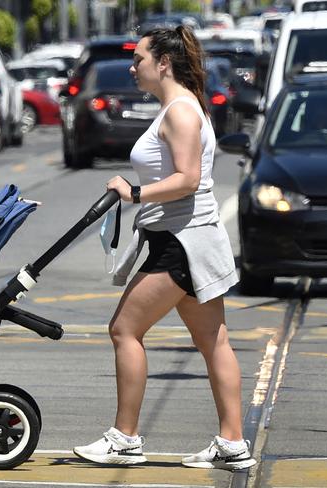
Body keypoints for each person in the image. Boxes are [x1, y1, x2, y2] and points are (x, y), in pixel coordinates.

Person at [72, 26, 257, 471]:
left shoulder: (180, 112)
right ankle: (232, 444)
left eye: (138, 59)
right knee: (213, 341)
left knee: (124, 330)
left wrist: (134, 193)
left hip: (179, 242)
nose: (132, 67)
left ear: (163, 64)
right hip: (187, 238)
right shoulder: (179, 106)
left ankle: (125, 439)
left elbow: (189, 178)